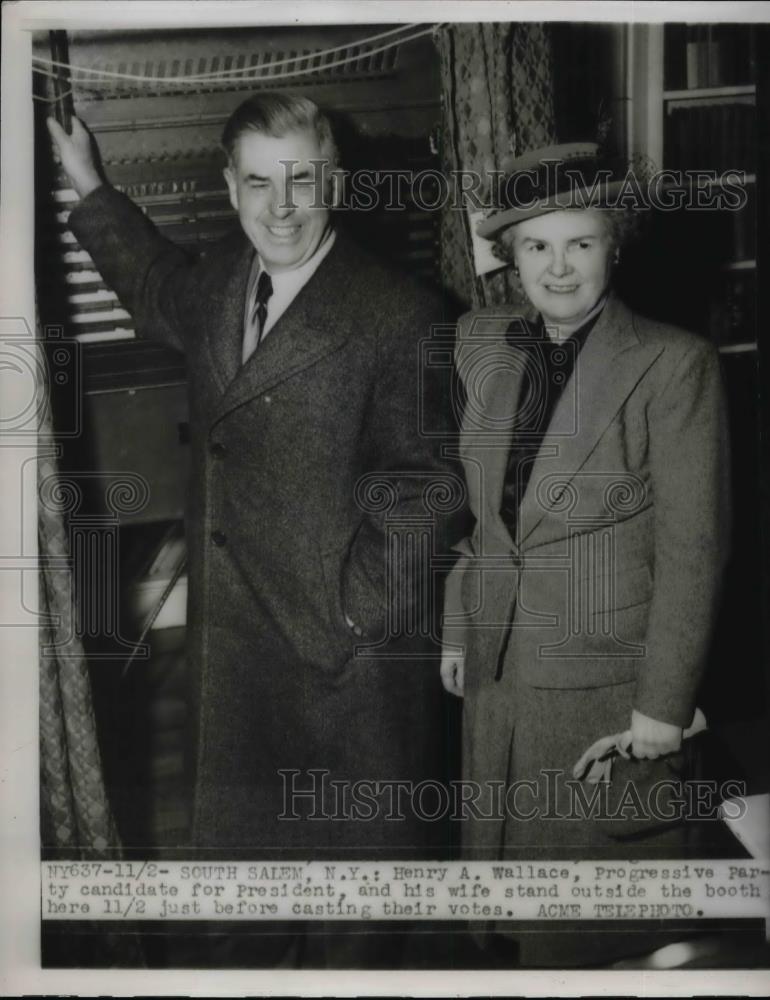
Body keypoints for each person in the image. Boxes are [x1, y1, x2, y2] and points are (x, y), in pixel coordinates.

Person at [48, 95, 459, 867]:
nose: (283, 208)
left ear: (333, 183)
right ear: (232, 187)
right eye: (261, 183)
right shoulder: (216, 290)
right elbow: (148, 278)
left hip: (346, 674)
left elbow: (427, 488)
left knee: (353, 913)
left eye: (302, 180)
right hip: (236, 665)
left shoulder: (402, 315)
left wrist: (349, 613)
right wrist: (84, 177)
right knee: (248, 887)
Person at [439, 143, 731, 965]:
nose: (558, 267)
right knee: (518, 921)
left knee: (603, 929)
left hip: (606, 694)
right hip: (499, 681)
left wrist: (662, 710)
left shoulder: (674, 366)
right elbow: (487, 517)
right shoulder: (480, 344)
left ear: (615, 241)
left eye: (580, 243)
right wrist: (461, 627)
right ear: (510, 258)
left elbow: (694, 548)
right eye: (536, 246)